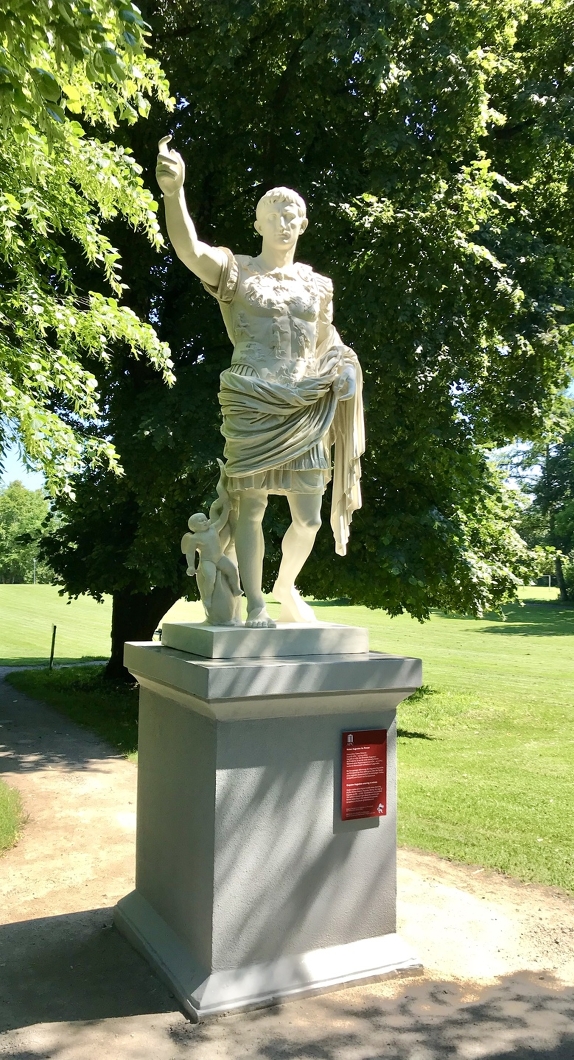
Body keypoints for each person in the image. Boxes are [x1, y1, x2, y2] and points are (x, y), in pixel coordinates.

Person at [157, 136, 365, 628]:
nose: (284, 224)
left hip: (305, 402)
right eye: (274, 217)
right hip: (252, 396)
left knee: (309, 517)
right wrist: (174, 193)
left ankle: (285, 586)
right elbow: (189, 249)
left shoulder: (318, 285)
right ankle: (254, 606)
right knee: (249, 509)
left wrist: (346, 373)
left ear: (304, 225)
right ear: (259, 225)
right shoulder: (237, 271)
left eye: (292, 217)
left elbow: (327, 342)